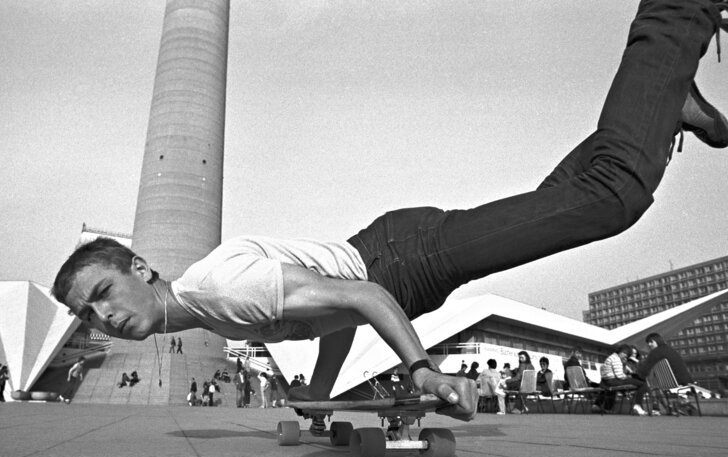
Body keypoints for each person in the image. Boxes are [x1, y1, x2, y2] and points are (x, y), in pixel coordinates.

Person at [51, 0, 728, 423]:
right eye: (87, 313)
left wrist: (422, 371)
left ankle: (674, 16)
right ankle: (665, 101)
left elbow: (367, 294)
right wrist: (318, 391)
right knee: (568, 200)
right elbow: (335, 314)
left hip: (402, 260)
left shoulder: (217, 289)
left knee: (611, 198)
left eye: (102, 293)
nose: (102, 317)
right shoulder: (211, 303)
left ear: (139, 265)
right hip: (391, 251)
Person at [595, 344, 649, 415]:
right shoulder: (616, 359)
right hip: (613, 381)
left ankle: (636, 406)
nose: (626, 356)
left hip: (608, 381)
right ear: (623, 352)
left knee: (638, 383)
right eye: (626, 354)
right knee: (642, 384)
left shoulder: (612, 357)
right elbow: (620, 375)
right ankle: (637, 406)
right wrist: (629, 378)